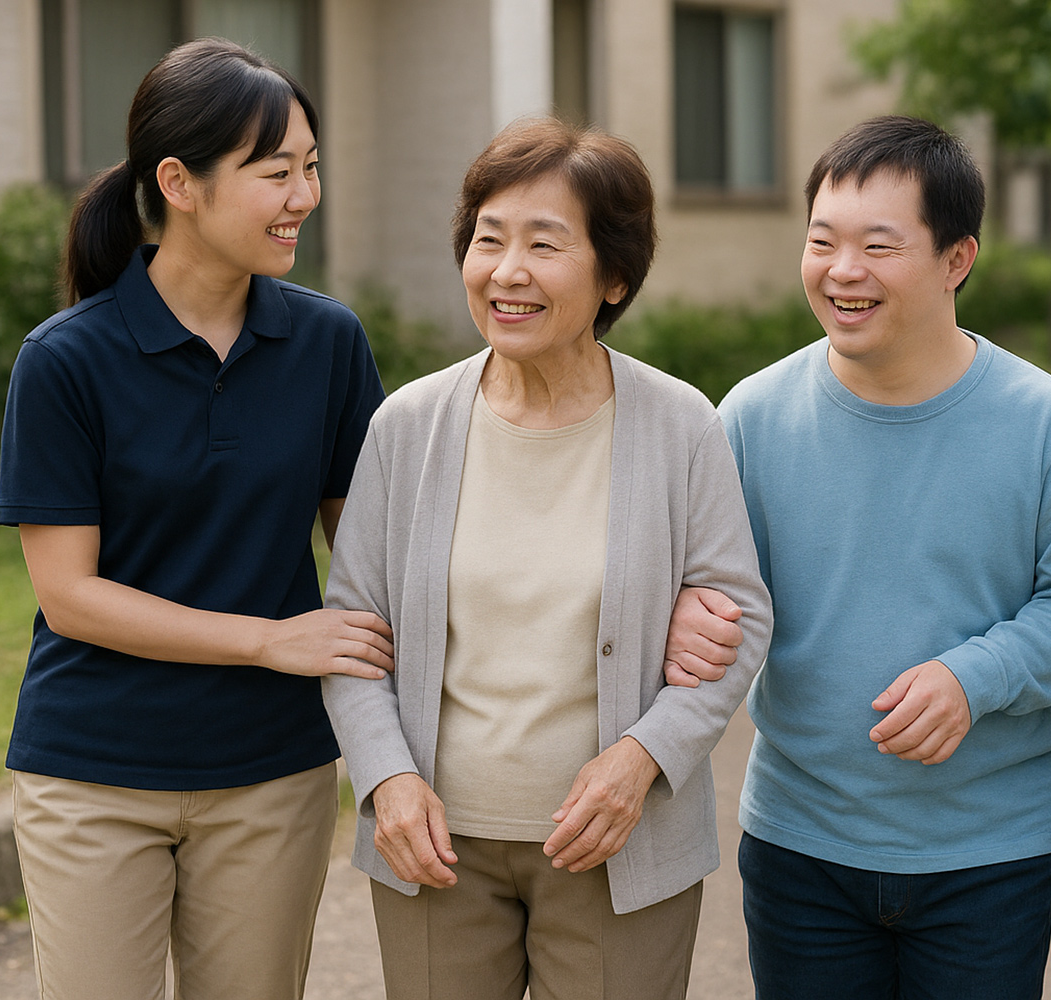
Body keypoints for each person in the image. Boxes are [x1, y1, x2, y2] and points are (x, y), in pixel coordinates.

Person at [668, 115, 1051, 999]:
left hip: (989, 853)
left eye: (878, 246)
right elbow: (711, 582)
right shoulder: (751, 418)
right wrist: (692, 607)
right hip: (800, 842)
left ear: (958, 259)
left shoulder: (1047, 425)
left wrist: (975, 676)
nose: (843, 271)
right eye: (822, 242)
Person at [319, 117, 772, 1000]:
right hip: (435, 845)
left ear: (613, 276)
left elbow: (737, 617)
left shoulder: (681, 424)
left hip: (619, 838)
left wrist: (642, 757)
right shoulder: (406, 427)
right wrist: (389, 780)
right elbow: (352, 633)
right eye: (488, 240)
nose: (507, 271)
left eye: (544, 243)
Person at [0, 38, 390, 1000]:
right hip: (93, 775)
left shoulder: (327, 342)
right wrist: (266, 640)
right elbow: (72, 597)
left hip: (271, 774)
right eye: (274, 173)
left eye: (309, 167)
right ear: (178, 182)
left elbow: (375, 553)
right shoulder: (65, 362)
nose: (304, 195)